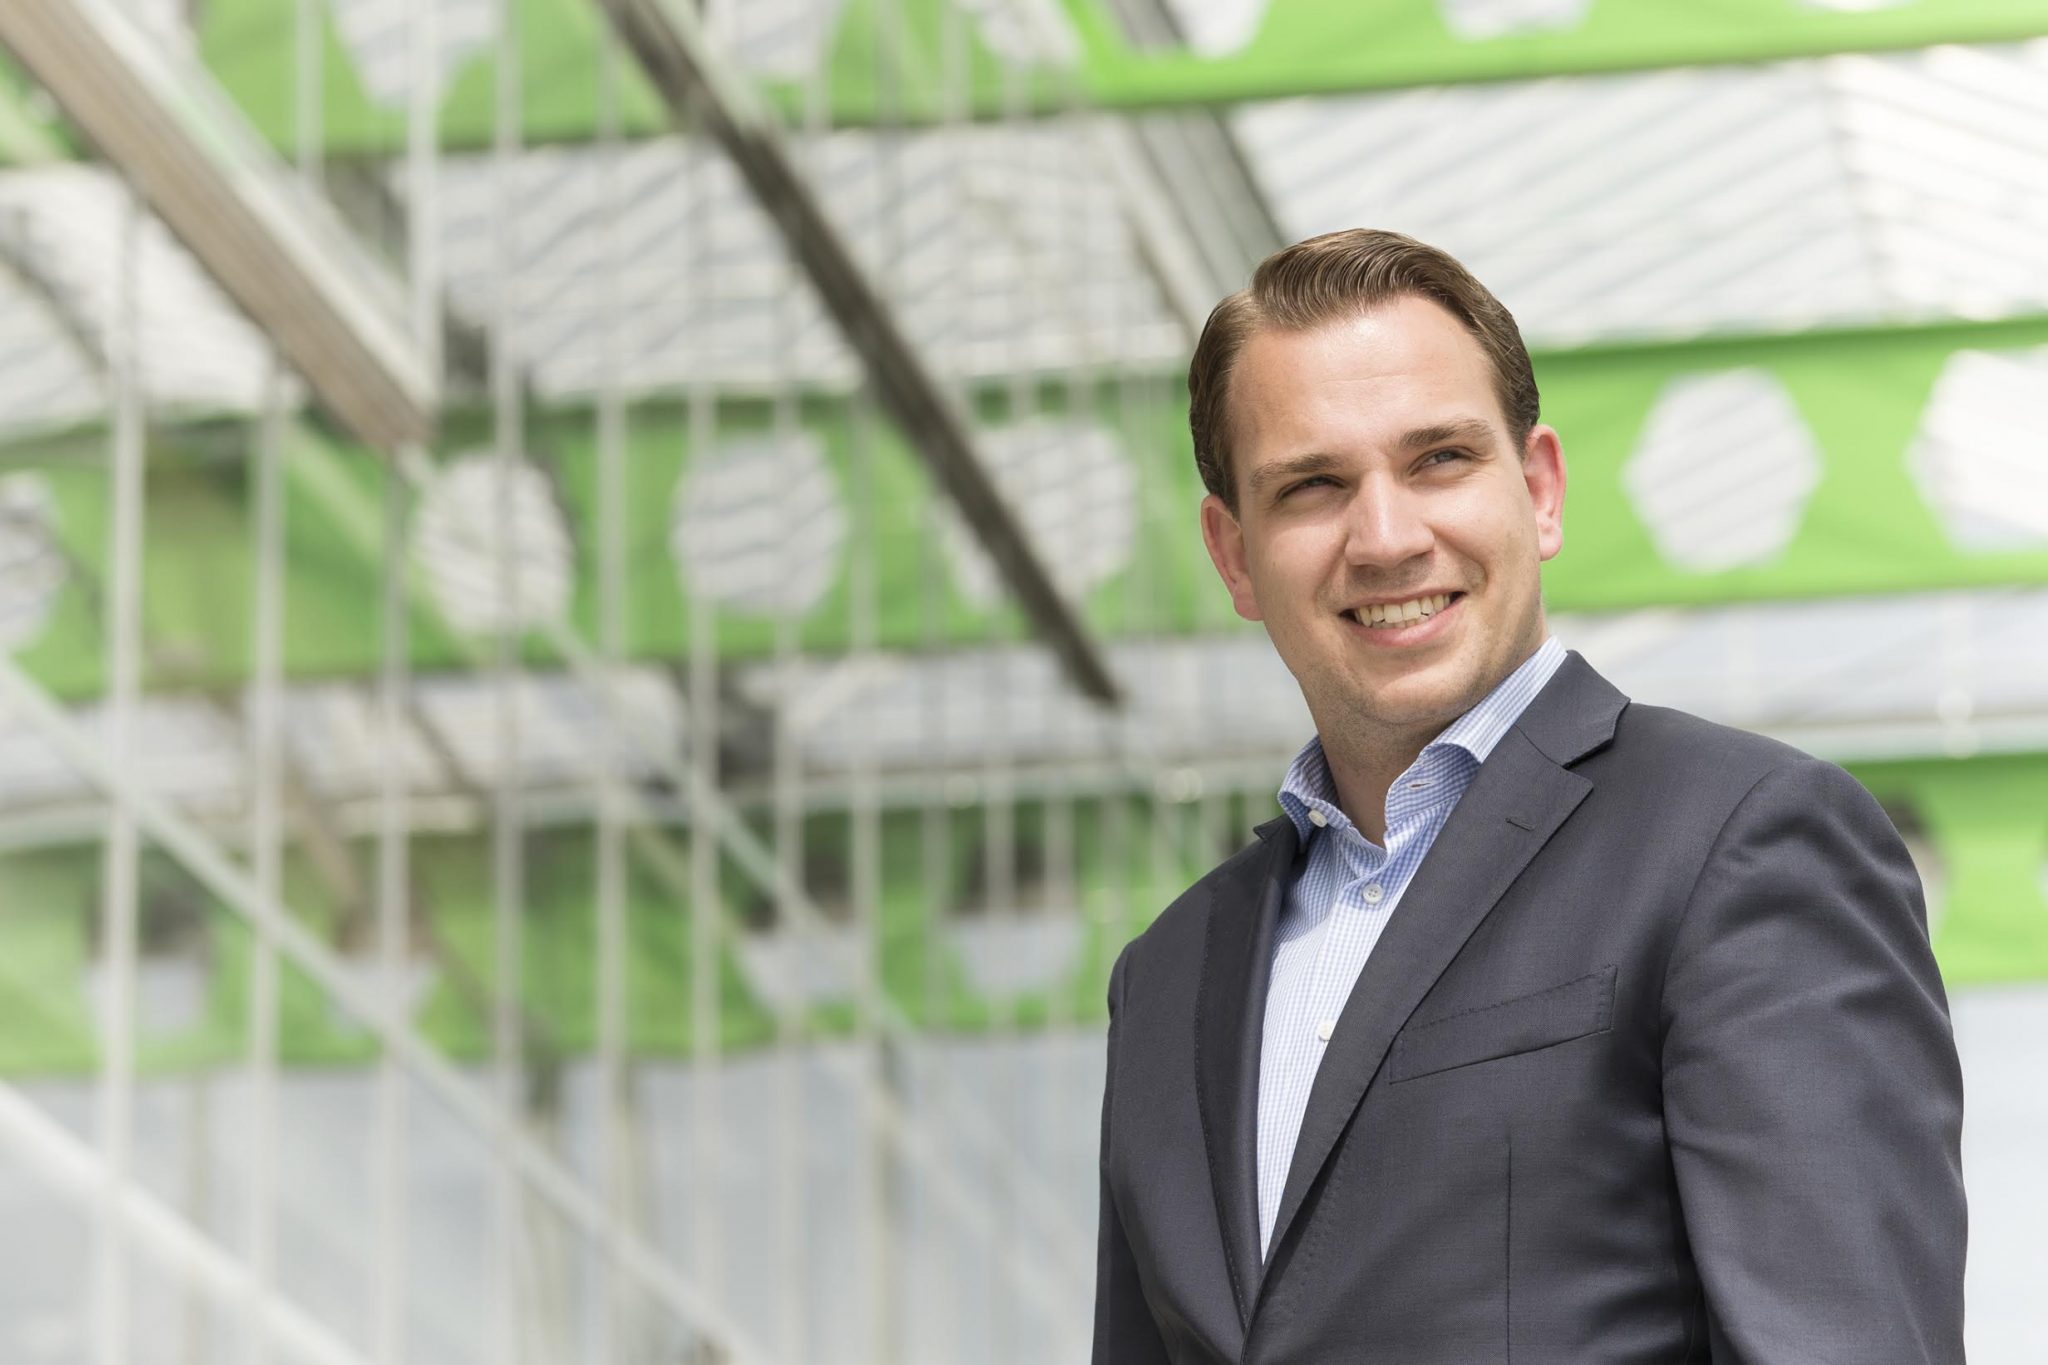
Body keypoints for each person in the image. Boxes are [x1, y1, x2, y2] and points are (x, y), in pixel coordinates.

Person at [1092, 229, 1965, 1364]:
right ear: (1233, 555)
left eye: (1438, 460)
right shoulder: (1166, 977)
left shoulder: (1739, 843)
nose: (1386, 536)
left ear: (1539, 490)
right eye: (1311, 486)